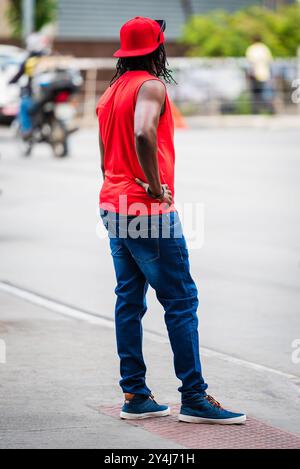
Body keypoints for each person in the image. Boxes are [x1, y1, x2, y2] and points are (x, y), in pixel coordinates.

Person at [97, 16, 246, 425]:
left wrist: (115, 180)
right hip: (147, 211)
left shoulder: (112, 91)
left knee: (129, 300)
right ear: (155, 49)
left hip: (112, 204)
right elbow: (144, 133)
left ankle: (135, 394)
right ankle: (194, 397)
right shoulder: (150, 86)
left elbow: (104, 147)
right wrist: (154, 185)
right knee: (181, 303)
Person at [9, 32, 52, 137]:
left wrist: (10, 82)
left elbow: (19, 74)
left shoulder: (29, 60)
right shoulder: (49, 56)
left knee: (23, 106)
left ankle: (27, 130)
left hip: (36, 95)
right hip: (50, 95)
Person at [246, 35, 273, 114]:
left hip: (254, 75)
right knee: (265, 93)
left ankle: (256, 111)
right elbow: (270, 61)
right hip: (265, 74)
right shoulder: (265, 48)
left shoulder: (251, 49)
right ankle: (268, 110)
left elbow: (249, 62)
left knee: (255, 94)